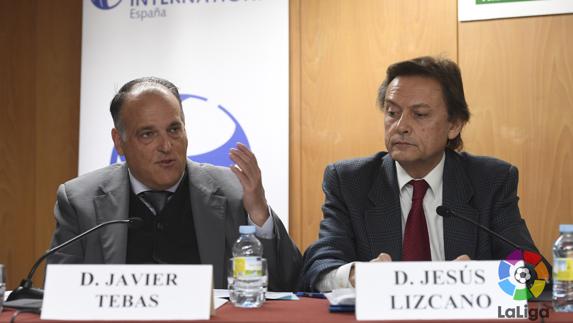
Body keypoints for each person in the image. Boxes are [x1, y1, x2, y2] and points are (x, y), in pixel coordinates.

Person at [300, 56, 542, 292]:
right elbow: (318, 267)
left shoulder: (490, 181)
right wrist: (355, 276)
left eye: (420, 114)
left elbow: (535, 273)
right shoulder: (350, 181)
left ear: (454, 125)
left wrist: (480, 279)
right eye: (392, 113)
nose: (401, 126)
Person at [47, 77, 302, 291]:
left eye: (174, 130)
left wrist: (258, 215)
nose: (166, 146)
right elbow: (60, 292)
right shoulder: (80, 200)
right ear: (119, 141)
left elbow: (289, 283)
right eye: (148, 134)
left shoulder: (234, 190)